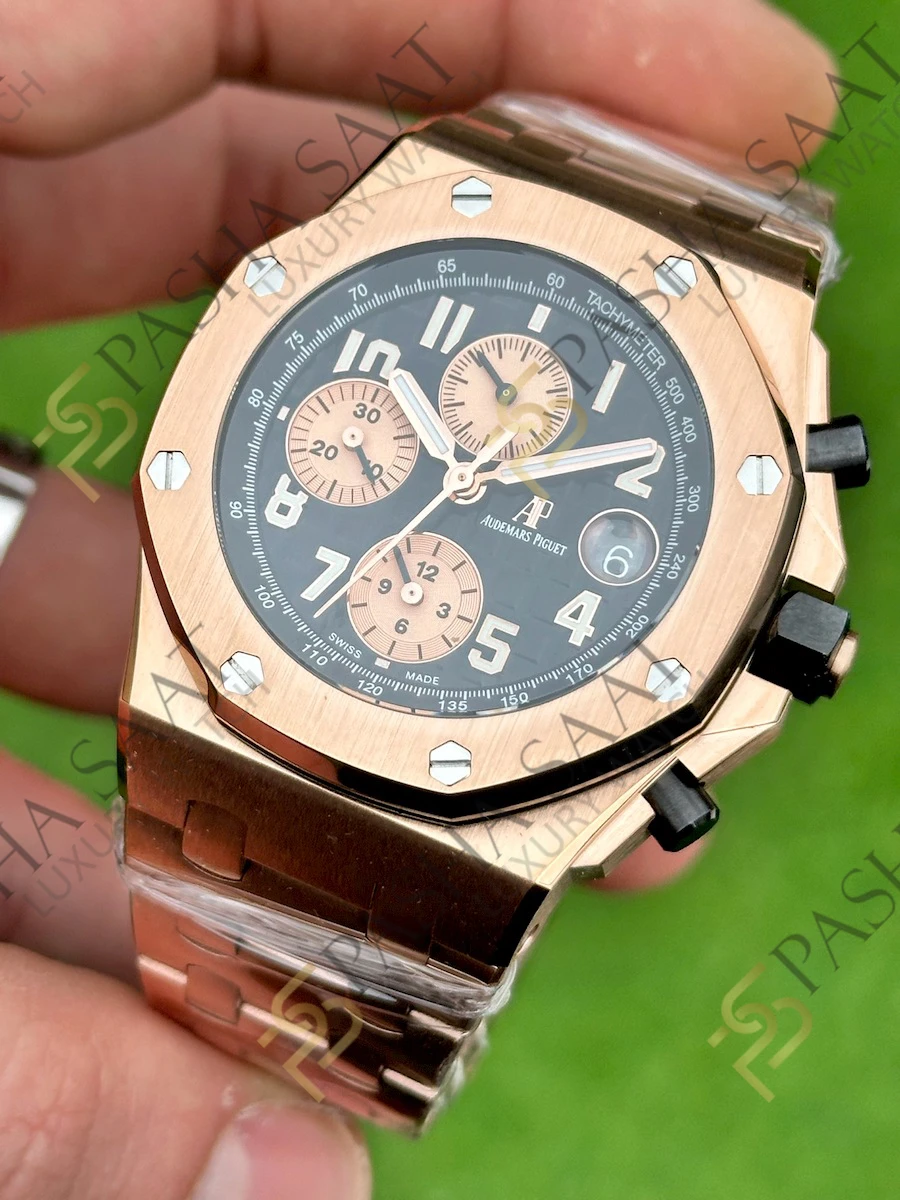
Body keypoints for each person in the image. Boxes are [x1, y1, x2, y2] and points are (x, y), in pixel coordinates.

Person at [0, 1, 837, 1197]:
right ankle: (293, 1042)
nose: (472, 479)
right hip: (236, 691)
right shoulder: (434, 205)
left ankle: (345, 1055)